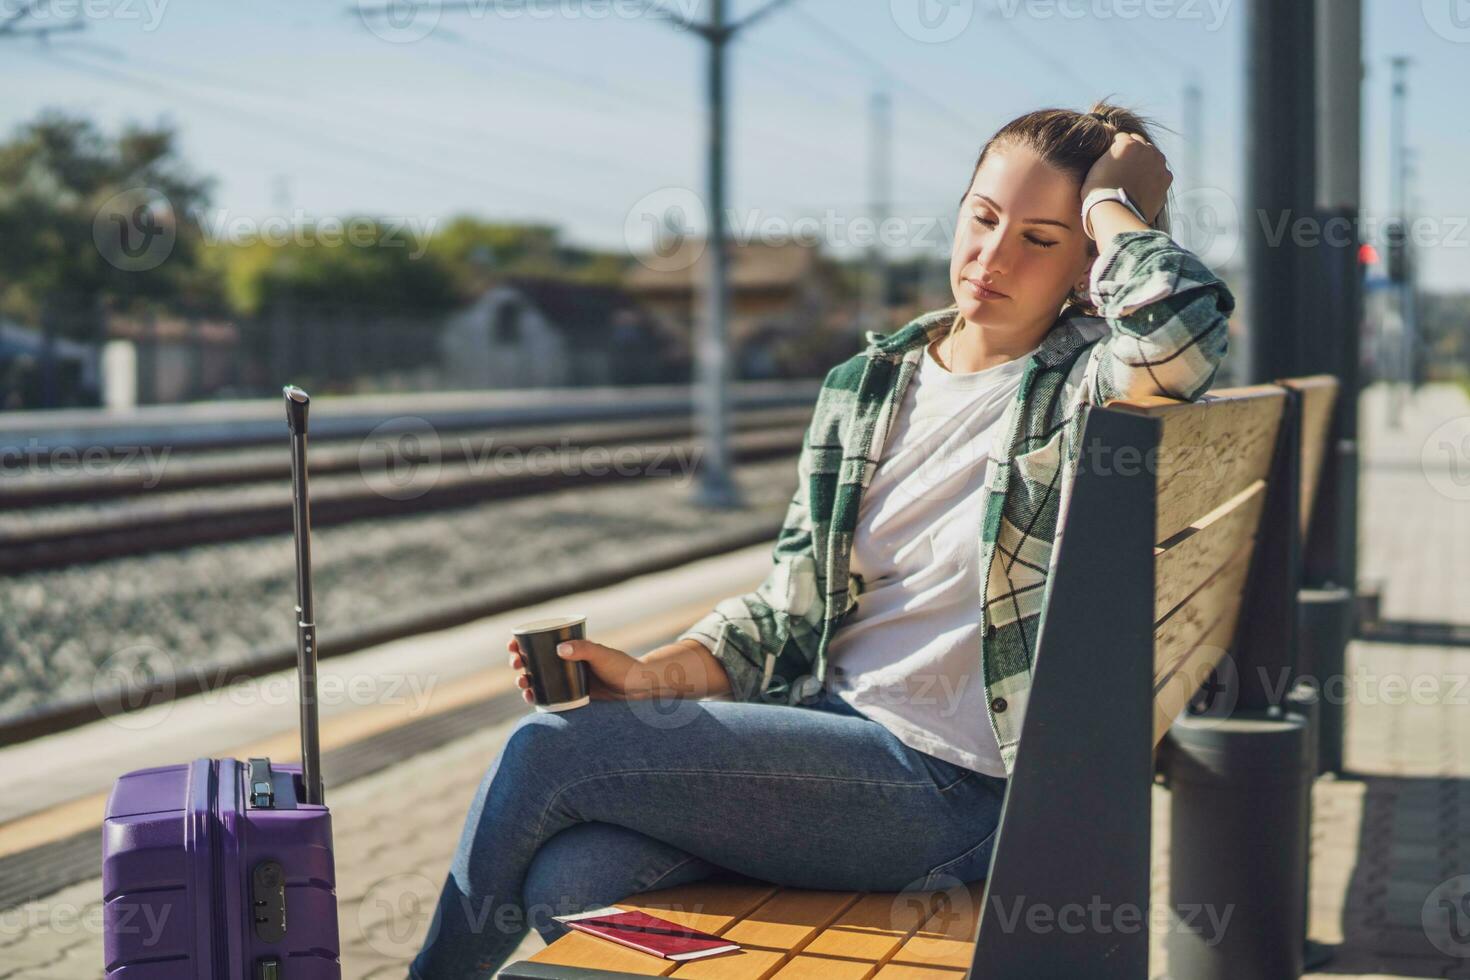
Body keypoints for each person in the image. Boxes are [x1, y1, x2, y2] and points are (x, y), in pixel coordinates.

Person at [408, 101, 1233, 978]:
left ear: (1085, 267)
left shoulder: (1079, 388)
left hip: (953, 790)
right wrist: (654, 676)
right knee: (578, 876)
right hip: (832, 744)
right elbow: (789, 608)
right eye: (984, 218)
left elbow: (1180, 334)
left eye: (1039, 238)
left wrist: (1117, 208)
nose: (991, 258)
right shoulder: (867, 386)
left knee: (545, 753)